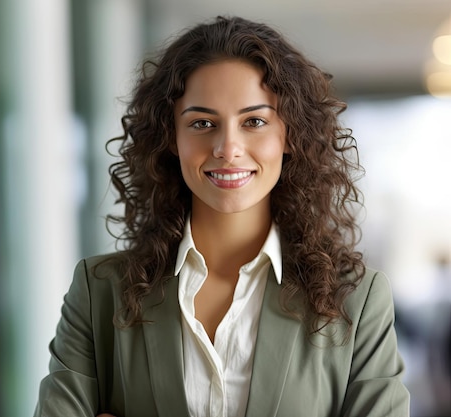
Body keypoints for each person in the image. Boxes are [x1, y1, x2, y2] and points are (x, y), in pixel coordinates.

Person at [34, 16, 410, 417]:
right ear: (171, 138)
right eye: (202, 123)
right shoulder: (98, 294)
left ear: (289, 134)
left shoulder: (357, 300)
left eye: (254, 122)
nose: (227, 148)